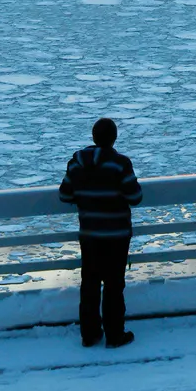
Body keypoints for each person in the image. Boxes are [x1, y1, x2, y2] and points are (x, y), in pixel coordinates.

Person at [59, 118, 142, 348]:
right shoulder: (120, 164)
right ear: (114, 138)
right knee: (114, 284)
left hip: (90, 234)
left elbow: (65, 195)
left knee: (90, 283)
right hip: (117, 235)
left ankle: (90, 333)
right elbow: (135, 197)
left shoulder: (76, 164)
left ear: (94, 137)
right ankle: (115, 335)